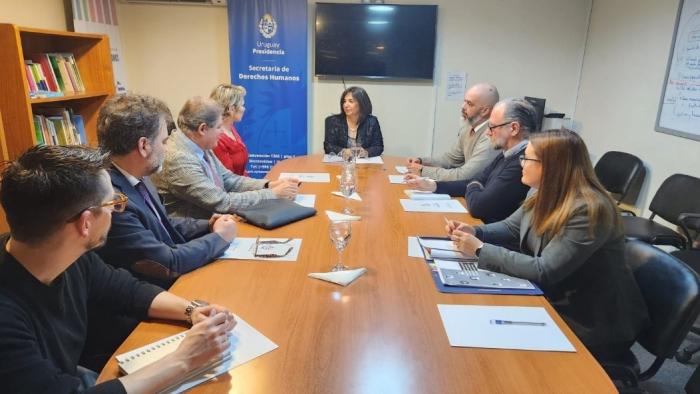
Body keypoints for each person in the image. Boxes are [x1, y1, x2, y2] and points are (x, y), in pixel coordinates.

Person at [0, 144, 237, 393]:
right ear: (86, 223)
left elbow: (124, 289)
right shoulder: (6, 320)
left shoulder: (61, 253)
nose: (116, 210)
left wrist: (192, 311)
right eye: (113, 203)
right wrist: (184, 359)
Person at [446, 129, 649, 358]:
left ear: (552, 166)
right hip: (559, 295)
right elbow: (512, 227)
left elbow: (545, 269)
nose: (521, 164)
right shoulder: (542, 191)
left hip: (594, 319)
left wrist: (480, 248)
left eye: (527, 158)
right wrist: (476, 231)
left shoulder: (589, 209)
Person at [96, 93, 238, 287]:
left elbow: (162, 223)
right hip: (154, 298)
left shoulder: (138, 174)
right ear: (144, 145)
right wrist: (220, 238)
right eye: (164, 142)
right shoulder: (112, 201)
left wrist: (207, 225)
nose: (167, 149)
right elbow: (167, 263)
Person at [151, 96, 299, 219]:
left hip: (217, 223)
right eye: (219, 127)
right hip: (195, 235)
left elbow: (229, 180)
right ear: (203, 128)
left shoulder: (199, 144)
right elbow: (221, 202)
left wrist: (269, 185)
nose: (222, 133)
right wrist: (273, 194)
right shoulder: (178, 158)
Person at [405, 98, 534, 223]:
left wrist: (475, 184)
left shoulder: (521, 164)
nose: (488, 133)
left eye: (492, 127)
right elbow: (473, 180)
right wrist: (433, 186)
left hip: (491, 234)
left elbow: (478, 206)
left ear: (514, 128)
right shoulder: (506, 154)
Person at [407, 83, 500, 181]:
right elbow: (450, 160)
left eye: (469, 104)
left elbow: (464, 176)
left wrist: (422, 171)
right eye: (464, 101)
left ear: (485, 111)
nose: (462, 107)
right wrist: (421, 161)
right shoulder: (468, 127)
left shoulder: (491, 136)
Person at [324, 86, 384, 158]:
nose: (346, 105)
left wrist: (366, 152)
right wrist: (343, 151)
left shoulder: (372, 122)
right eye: (344, 101)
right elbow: (328, 146)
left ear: (361, 103)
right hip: (340, 164)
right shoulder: (333, 121)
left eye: (351, 101)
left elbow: (378, 147)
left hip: (364, 165)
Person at [210, 83, 250, 176]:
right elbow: (229, 180)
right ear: (231, 109)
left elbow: (241, 171)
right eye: (242, 105)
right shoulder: (217, 140)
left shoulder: (231, 128)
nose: (244, 109)